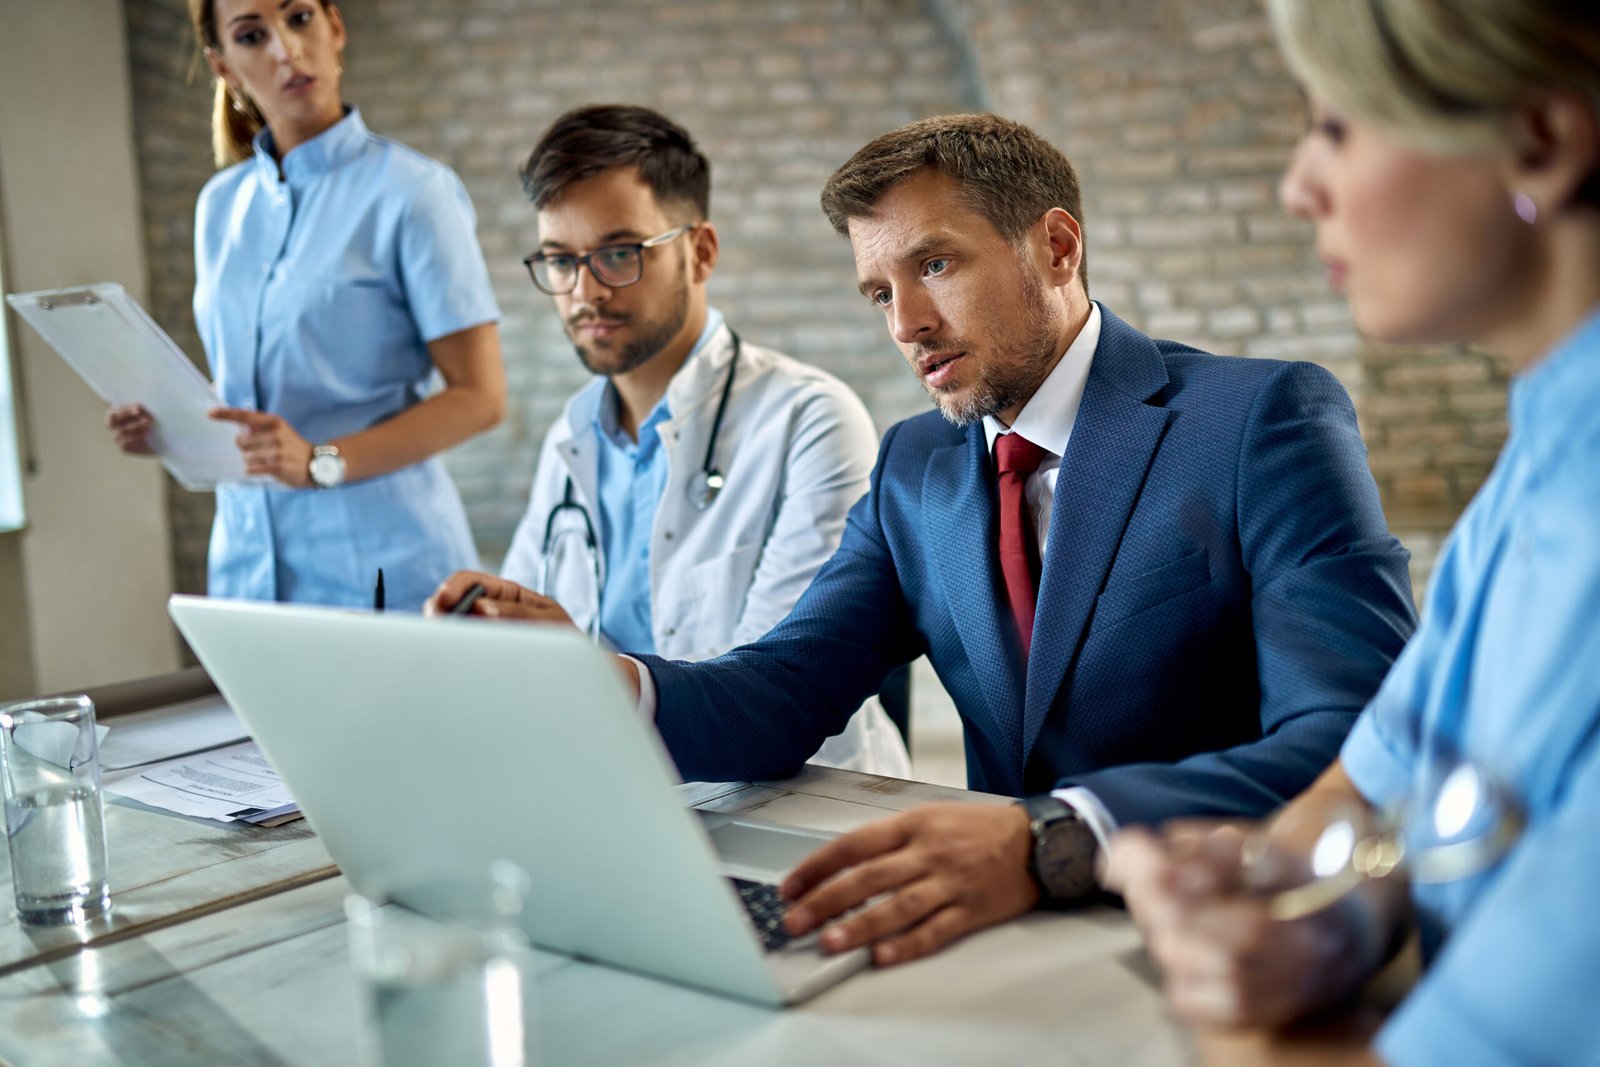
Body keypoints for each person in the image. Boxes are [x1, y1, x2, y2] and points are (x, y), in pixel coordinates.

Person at [433, 113, 1416, 964]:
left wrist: (1053, 836)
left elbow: (1354, 735)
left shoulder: (1257, 419)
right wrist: (609, 681)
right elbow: (787, 685)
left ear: (1058, 246)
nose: (905, 322)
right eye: (877, 291)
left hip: (1224, 930)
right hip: (999, 943)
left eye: (934, 264)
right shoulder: (918, 466)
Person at [1102, 2, 1600, 1064]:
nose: (1297, 187)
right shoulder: (1542, 458)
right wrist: (1321, 919)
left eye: (1336, 126)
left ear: (1541, 144)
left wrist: (1230, 1015)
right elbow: (1361, 787)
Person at [465, 105, 908, 776]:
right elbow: (525, 660)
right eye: (560, 261)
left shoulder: (810, 420)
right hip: (612, 790)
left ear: (700, 251)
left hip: (789, 811)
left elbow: (767, 696)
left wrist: (586, 671)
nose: (584, 291)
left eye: (619, 254)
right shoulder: (574, 437)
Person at [107, 0, 504, 610]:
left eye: (298, 19)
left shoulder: (414, 194)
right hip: (246, 567)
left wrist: (320, 461)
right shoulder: (219, 207)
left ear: (334, 27)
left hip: (385, 569)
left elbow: (480, 399)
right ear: (224, 67)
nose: (285, 50)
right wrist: (174, 425)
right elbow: (251, 392)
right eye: (251, 35)